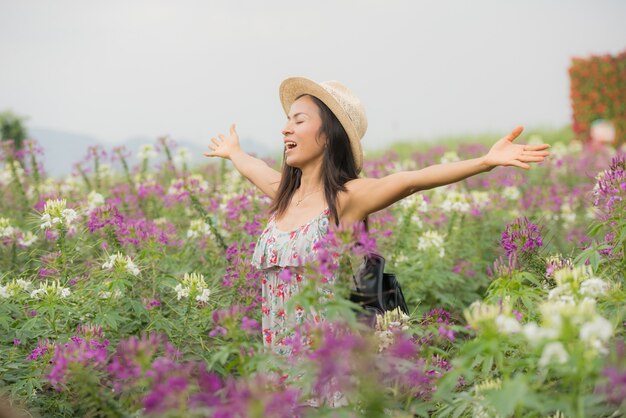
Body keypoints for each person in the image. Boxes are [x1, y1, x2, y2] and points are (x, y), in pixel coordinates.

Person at [203, 76, 550, 355]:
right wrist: (233, 152)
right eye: (286, 121)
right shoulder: (284, 196)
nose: (285, 129)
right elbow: (254, 168)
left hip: (327, 367)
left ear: (328, 136)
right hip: (278, 365)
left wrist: (485, 162)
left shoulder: (346, 198)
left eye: (299, 121)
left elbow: (411, 181)